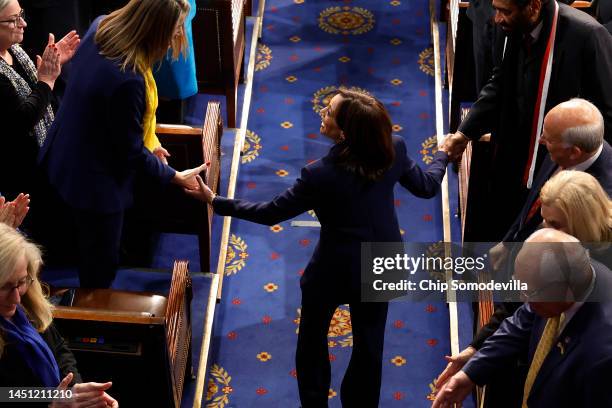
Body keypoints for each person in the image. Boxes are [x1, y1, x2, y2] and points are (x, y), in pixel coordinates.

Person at [185, 89, 450, 407]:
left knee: (312, 340)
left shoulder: (320, 174)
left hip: (333, 269)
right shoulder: (394, 147)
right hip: (384, 260)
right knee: (370, 346)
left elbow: (271, 213)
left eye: (329, 112)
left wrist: (214, 201)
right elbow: (426, 186)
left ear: (344, 132)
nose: (322, 111)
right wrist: (443, 154)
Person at [39, 0, 205, 288]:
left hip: (67, 151)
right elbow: (130, 151)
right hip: (94, 183)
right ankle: (95, 321)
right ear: (155, 30)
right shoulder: (128, 80)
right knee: (100, 265)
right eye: (173, 32)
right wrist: (175, 176)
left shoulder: (102, 25)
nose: (172, 43)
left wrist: (148, 143)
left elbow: (113, 119)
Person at [435, 170, 612, 406]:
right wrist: (471, 372)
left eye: (555, 224)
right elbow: (523, 318)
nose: (544, 229)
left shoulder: (601, 355)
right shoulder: (572, 265)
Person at [446, 0, 612, 242]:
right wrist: (464, 133)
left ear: (533, 7)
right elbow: (499, 83)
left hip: (560, 168)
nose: (496, 19)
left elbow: (607, 113)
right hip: (512, 157)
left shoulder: (587, 36)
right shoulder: (512, 28)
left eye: (505, 11)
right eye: (496, 8)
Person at [0, 223, 119, 407]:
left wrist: (76, 390)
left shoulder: (28, 302)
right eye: (5, 287)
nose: (16, 298)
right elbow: (6, 394)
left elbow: (59, 349)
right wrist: (51, 403)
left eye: (21, 282)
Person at [0, 0, 79, 200]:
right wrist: (46, 81)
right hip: (17, 179)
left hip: (41, 167)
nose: (23, 24)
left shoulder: (15, 51)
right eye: (14, 20)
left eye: (22, 15)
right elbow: (21, 121)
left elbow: (40, 103)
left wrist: (51, 67)